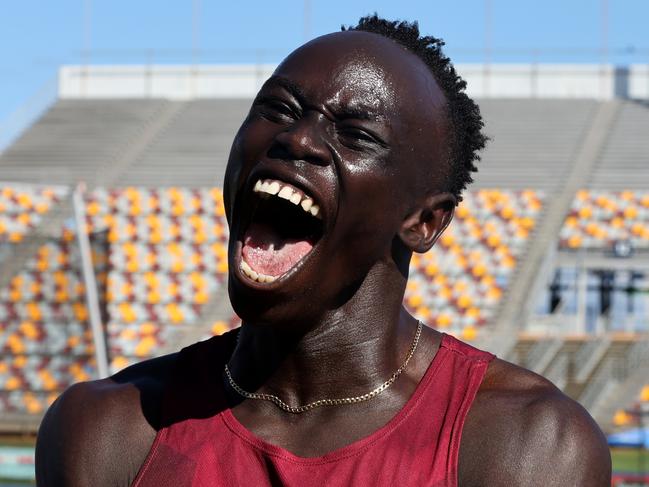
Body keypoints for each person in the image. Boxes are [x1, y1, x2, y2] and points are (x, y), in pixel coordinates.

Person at [35, 15, 611, 486]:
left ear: (424, 222)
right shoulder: (110, 432)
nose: (297, 138)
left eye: (357, 134)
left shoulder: (524, 449)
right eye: (278, 109)